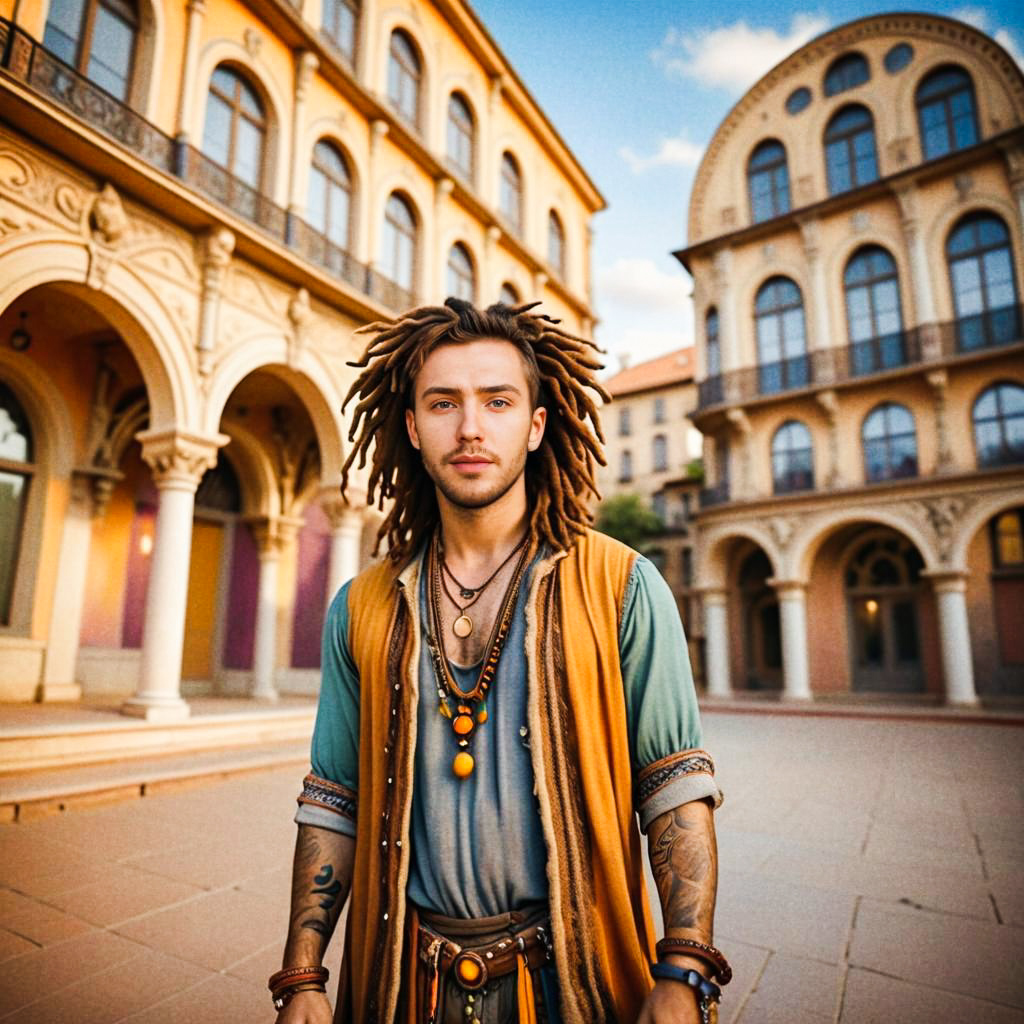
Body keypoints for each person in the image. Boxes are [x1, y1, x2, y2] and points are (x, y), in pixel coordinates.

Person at [271, 298, 726, 1024]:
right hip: (399, 990)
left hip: (575, 989)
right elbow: (332, 799)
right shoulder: (361, 606)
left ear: (537, 425)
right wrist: (303, 975)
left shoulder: (623, 587)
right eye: (443, 403)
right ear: (413, 428)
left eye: (498, 401)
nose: (471, 427)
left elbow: (674, 790)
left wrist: (683, 967)